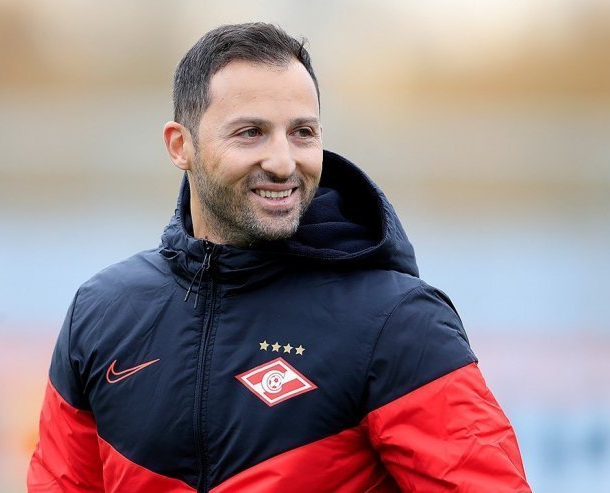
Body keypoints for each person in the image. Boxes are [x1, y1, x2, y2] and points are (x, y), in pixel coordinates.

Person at [27, 22, 531, 493]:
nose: (283, 161)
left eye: (302, 132)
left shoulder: (399, 323)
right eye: (251, 132)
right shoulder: (102, 311)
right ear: (181, 146)